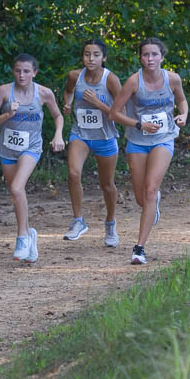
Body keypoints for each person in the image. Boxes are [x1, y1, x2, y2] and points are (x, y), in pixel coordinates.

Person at [110, 38, 189, 265]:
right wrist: (138, 124)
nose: (150, 59)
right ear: (141, 58)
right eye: (146, 55)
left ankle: (139, 248)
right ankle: (151, 205)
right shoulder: (134, 82)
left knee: (151, 190)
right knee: (140, 197)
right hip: (137, 140)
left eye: (154, 54)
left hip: (164, 139)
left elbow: (182, 101)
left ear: (162, 57)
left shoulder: (172, 79)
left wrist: (183, 115)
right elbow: (114, 113)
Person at [0, 54, 65, 262]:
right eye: (18, 70)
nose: (22, 75)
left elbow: (58, 115)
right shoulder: (4, 91)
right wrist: (6, 116)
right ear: (13, 71)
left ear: (34, 73)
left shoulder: (44, 93)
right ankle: (30, 235)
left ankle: (21, 238)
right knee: (16, 194)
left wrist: (58, 134)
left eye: (26, 71)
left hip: (31, 147)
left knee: (17, 188)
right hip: (7, 150)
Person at [61, 39, 122, 247]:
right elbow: (68, 91)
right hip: (81, 134)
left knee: (106, 185)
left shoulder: (111, 80)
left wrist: (98, 103)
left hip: (105, 137)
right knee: (73, 173)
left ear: (103, 58)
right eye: (87, 54)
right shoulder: (74, 76)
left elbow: (120, 114)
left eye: (96, 55)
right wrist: (67, 103)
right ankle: (78, 221)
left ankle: (111, 223)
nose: (91, 59)